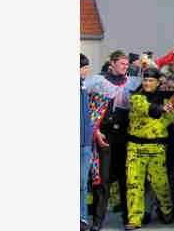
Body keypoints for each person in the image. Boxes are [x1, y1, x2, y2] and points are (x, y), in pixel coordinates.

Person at [84, 50, 142, 231]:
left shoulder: (132, 82)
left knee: (126, 177)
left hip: (125, 135)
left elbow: (154, 80)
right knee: (103, 179)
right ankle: (98, 221)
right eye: (122, 64)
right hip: (105, 135)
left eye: (127, 64)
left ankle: (128, 218)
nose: (126, 67)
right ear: (112, 64)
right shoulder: (98, 81)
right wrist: (95, 130)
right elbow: (85, 101)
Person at [124, 68, 174, 230]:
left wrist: (164, 113)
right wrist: (161, 110)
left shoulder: (166, 100)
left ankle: (167, 209)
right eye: (145, 80)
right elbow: (148, 109)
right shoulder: (136, 97)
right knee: (133, 183)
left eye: (151, 81)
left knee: (161, 184)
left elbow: (169, 118)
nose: (147, 83)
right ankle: (134, 218)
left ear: (158, 83)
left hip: (157, 147)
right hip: (135, 148)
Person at [81, 54, 93, 230]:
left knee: (82, 184)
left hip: (85, 144)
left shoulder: (84, 88)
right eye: (84, 68)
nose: (87, 71)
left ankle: (81, 218)